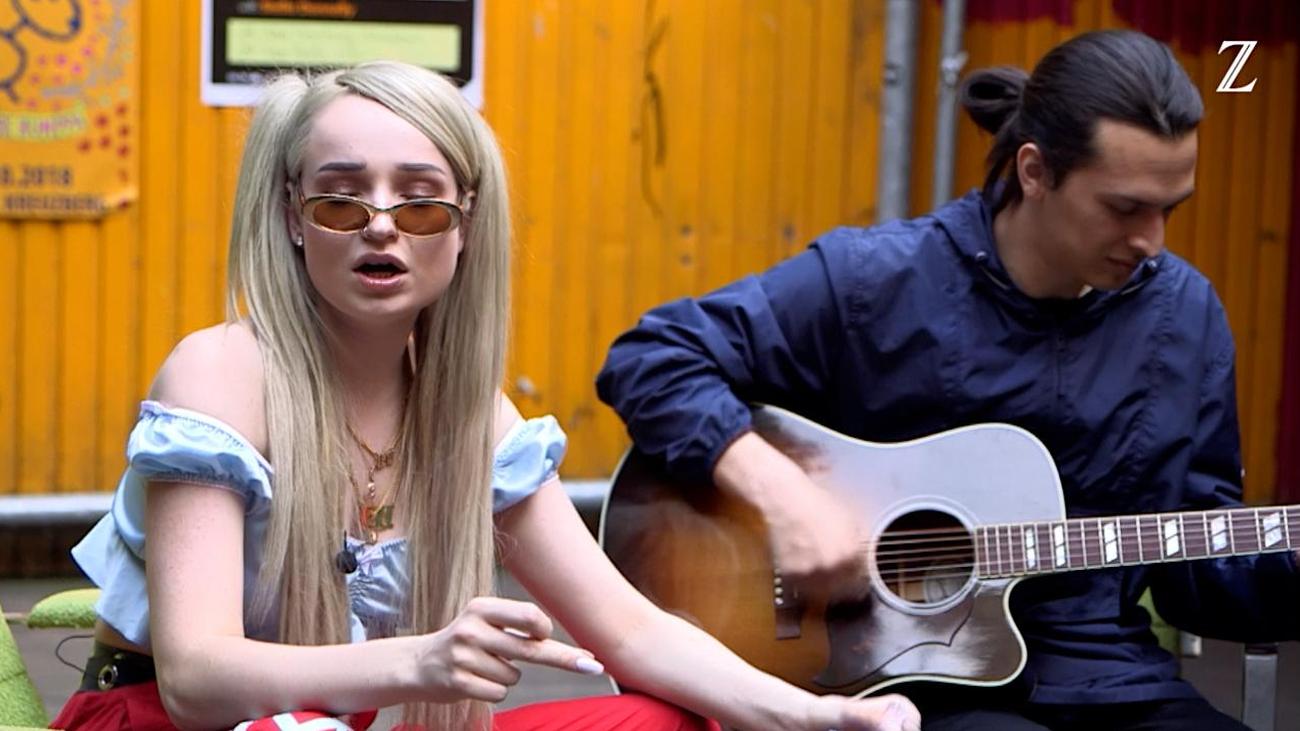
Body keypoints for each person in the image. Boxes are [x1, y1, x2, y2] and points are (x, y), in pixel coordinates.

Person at [52, 61, 922, 731]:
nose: (382, 224)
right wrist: (421, 661)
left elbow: (631, 631)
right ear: (291, 216)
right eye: (340, 200)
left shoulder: (472, 415)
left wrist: (815, 714)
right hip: (153, 719)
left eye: (421, 203)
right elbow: (195, 678)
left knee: (662, 718)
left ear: (465, 226)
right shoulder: (220, 372)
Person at [596, 29, 1300, 731]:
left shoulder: (1185, 316)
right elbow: (653, 357)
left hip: (1111, 679)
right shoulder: (879, 280)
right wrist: (785, 497)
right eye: (1124, 208)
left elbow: (1200, 578)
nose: (1152, 241)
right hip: (896, 687)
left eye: (1170, 209)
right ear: (1035, 171)